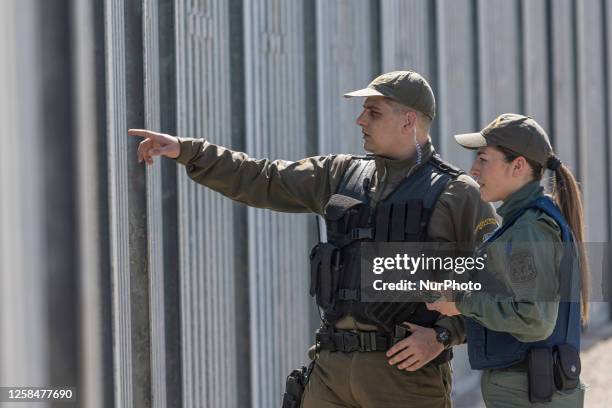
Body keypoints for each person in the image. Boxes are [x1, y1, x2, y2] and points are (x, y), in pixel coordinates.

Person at [128, 70, 497, 408]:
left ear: (409, 120)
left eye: (373, 112)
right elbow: (263, 178)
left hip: (403, 377)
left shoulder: (457, 193)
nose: (360, 120)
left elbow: (502, 282)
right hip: (330, 373)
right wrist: (188, 150)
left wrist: (443, 336)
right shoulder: (341, 174)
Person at [426, 113, 588, 407]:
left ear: (518, 166)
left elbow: (534, 319)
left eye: (483, 159)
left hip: (526, 394)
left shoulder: (530, 229)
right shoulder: (522, 224)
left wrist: (462, 301)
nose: (473, 170)